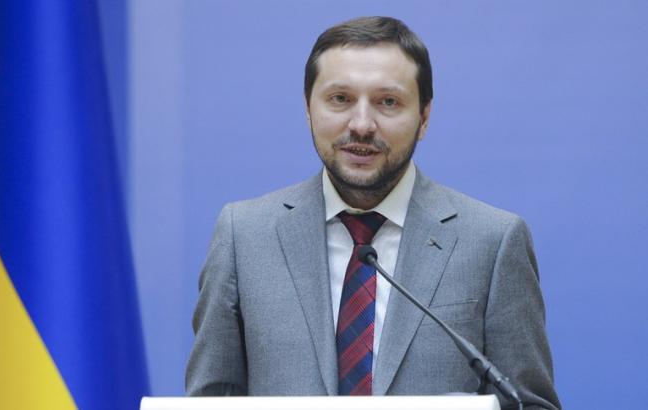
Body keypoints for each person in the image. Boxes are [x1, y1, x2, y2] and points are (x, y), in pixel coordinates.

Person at [186, 16, 561, 409]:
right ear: (308, 108)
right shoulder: (244, 236)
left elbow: (530, 404)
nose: (362, 125)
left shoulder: (492, 241)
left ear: (424, 117)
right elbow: (210, 401)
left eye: (388, 102)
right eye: (340, 99)